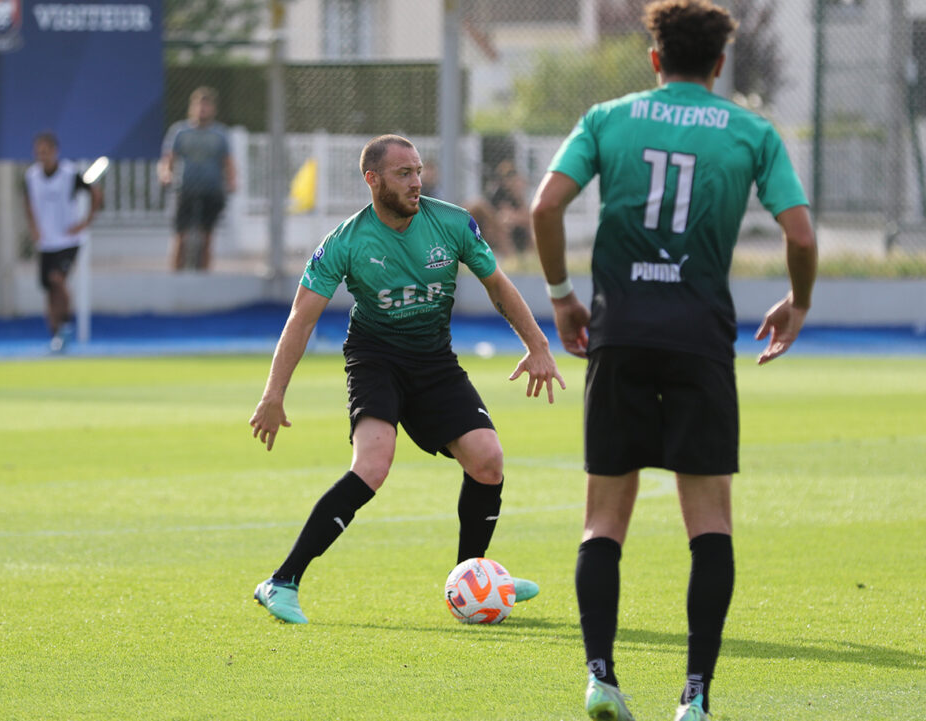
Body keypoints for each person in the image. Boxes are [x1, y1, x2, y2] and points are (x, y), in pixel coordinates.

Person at [529, 2, 817, 720]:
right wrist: (798, 301)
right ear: (720, 65)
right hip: (699, 339)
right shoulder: (751, 131)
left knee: (603, 519)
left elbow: (544, 207)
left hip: (619, 333)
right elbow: (802, 234)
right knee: (709, 520)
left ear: (653, 59)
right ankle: (694, 696)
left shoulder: (608, 119)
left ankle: (601, 677)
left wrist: (563, 297)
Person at [250, 134, 566, 624]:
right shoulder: (346, 242)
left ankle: (475, 579)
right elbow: (300, 320)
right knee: (373, 464)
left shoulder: (453, 222)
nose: (416, 182)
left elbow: (498, 285)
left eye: (419, 171)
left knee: (488, 460)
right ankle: (282, 580)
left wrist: (538, 346)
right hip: (375, 359)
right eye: (404, 174)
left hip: (434, 360)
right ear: (372, 180)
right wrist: (273, 395)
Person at [23, 131, 103, 353]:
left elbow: (95, 193)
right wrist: (34, 228)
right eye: (39, 152)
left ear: (55, 152)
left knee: (57, 279)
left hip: (68, 240)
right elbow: (28, 203)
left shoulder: (69, 173)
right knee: (49, 289)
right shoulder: (31, 176)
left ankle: (66, 324)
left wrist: (85, 221)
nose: (42, 156)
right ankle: (55, 335)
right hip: (46, 242)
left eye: (46, 151)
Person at [157, 86, 237, 271]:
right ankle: (175, 276)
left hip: (211, 190)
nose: (202, 110)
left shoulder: (219, 134)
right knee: (181, 236)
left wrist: (232, 180)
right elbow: (168, 159)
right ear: (192, 107)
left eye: (206, 106)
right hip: (185, 189)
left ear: (213, 109)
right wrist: (165, 174)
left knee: (207, 236)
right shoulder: (180, 131)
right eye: (199, 106)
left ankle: (204, 277)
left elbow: (228, 162)